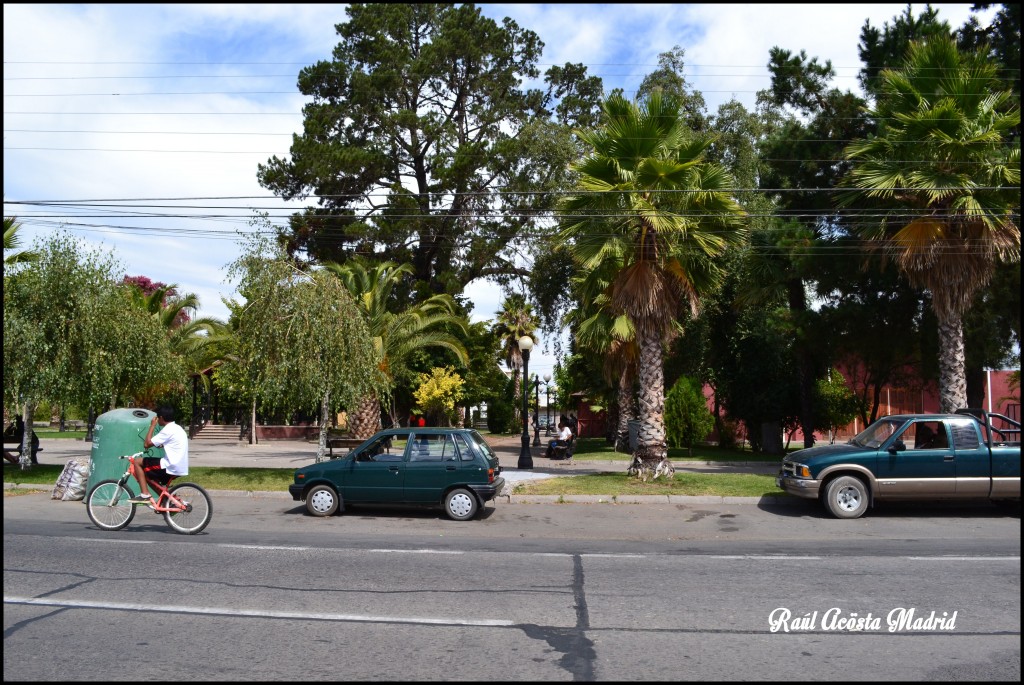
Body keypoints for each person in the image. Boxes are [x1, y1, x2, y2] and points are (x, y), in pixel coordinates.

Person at [129, 406, 189, 505]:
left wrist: (152, 425)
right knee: (149, 476)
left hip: (170, 465)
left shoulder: (167, 430)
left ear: (161, 418)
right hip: (179, 465)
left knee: (137, 462)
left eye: (157, 417)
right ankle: (167, 501)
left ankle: (144, 495)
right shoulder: (177, 428)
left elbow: (147, 444)